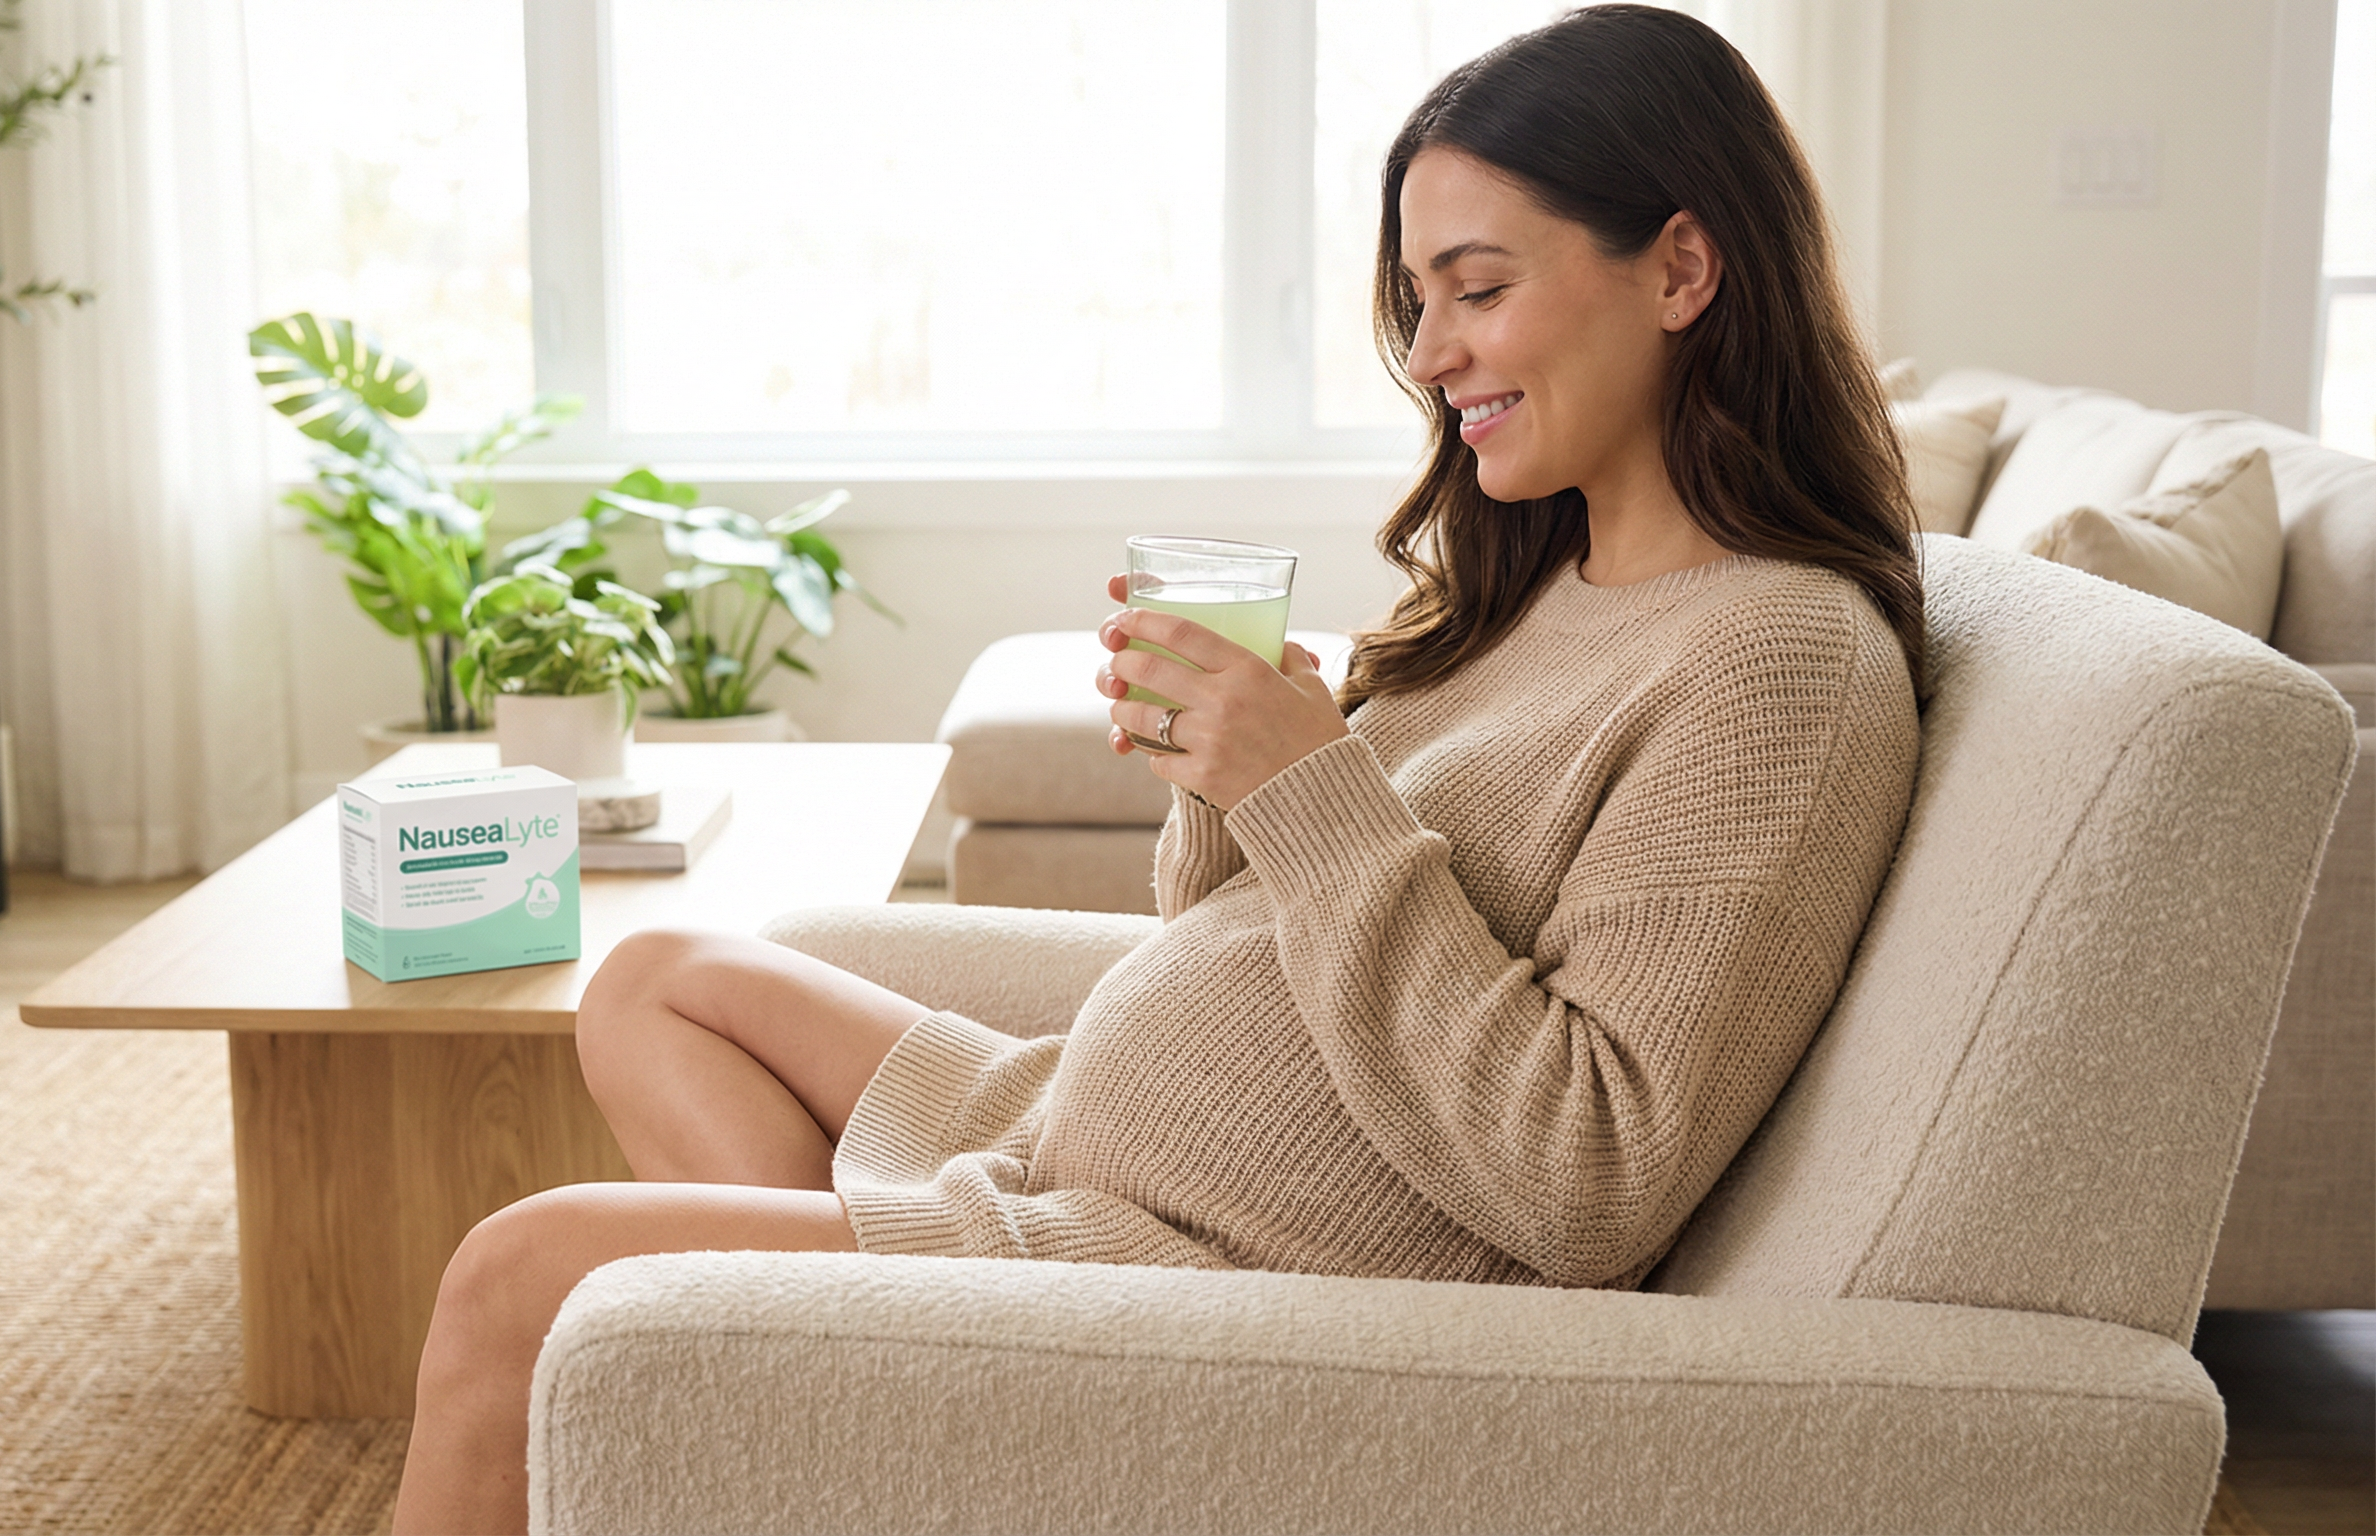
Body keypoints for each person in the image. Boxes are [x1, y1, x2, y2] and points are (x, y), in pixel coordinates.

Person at [390, 6, 1922, 1531]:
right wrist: (1229, 772)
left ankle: (792, 1356)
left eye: (1480, 288)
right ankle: (801, 1375)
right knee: (656, 981)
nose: (1433, 353)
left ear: (1680, 267)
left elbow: (1586, 1179)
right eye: (1415, 298)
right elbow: (1239, 931)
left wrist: (1312, 791)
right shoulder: (1536, 582)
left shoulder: (1778, 660)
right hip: (1068, 1132)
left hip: (1196, 1267)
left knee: (522, 1277)